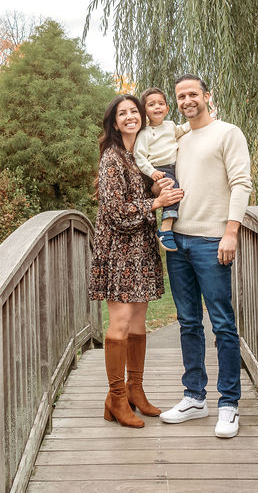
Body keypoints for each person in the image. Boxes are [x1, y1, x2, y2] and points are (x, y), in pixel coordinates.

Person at [158, 75, 252, 439]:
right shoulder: (177, 138)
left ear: (207, 96)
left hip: (212, 241)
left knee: (223, 323)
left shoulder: (228, 133)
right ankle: (194, 398)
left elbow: (241, 183)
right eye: (180, 96)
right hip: (178, 242)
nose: (186, 100)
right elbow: (159, 169)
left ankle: (228, 404)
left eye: (192, 94)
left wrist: (231, 231)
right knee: (188, 322)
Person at [88, 94, 184, 428]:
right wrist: (156, 204)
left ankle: (135, 391)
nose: (130, 117)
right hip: (118, 248)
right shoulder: (112, 158)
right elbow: (115, 213)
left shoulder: (138, 154)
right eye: (122, 113)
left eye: (134, 111)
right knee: (121, 323)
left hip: (140, 245)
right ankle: (115, 398)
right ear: (114, 122)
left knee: (139, 322)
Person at [133, 87, 190, 252]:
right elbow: (139, 157)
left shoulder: (170, 125)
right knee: (173, 191)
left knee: (177, 190)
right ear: (144, 110)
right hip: (159, 169)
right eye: (151, 104)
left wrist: (200, 121)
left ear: (167, 109)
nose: (157, 107)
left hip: (173, 167)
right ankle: (165, 229)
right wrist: (152, 172)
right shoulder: (144, 133)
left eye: (160, 104)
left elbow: (183, 130)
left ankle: (169, 226)